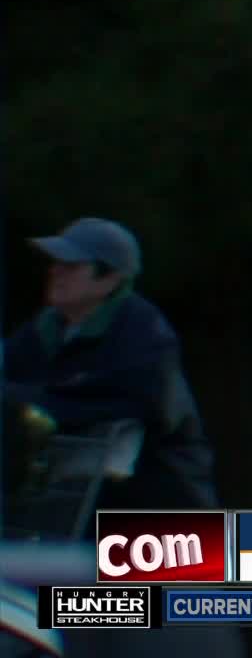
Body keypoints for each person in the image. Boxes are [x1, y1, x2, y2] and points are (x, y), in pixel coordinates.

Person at [4, 218, 218, 534]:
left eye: (71, 265)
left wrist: (33, 400)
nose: (55, 271)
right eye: (55, 263)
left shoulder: (144, 333)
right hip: (77, 507)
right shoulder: (46, 328)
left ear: (110, 279)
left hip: (160, 513)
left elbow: (130, 400)